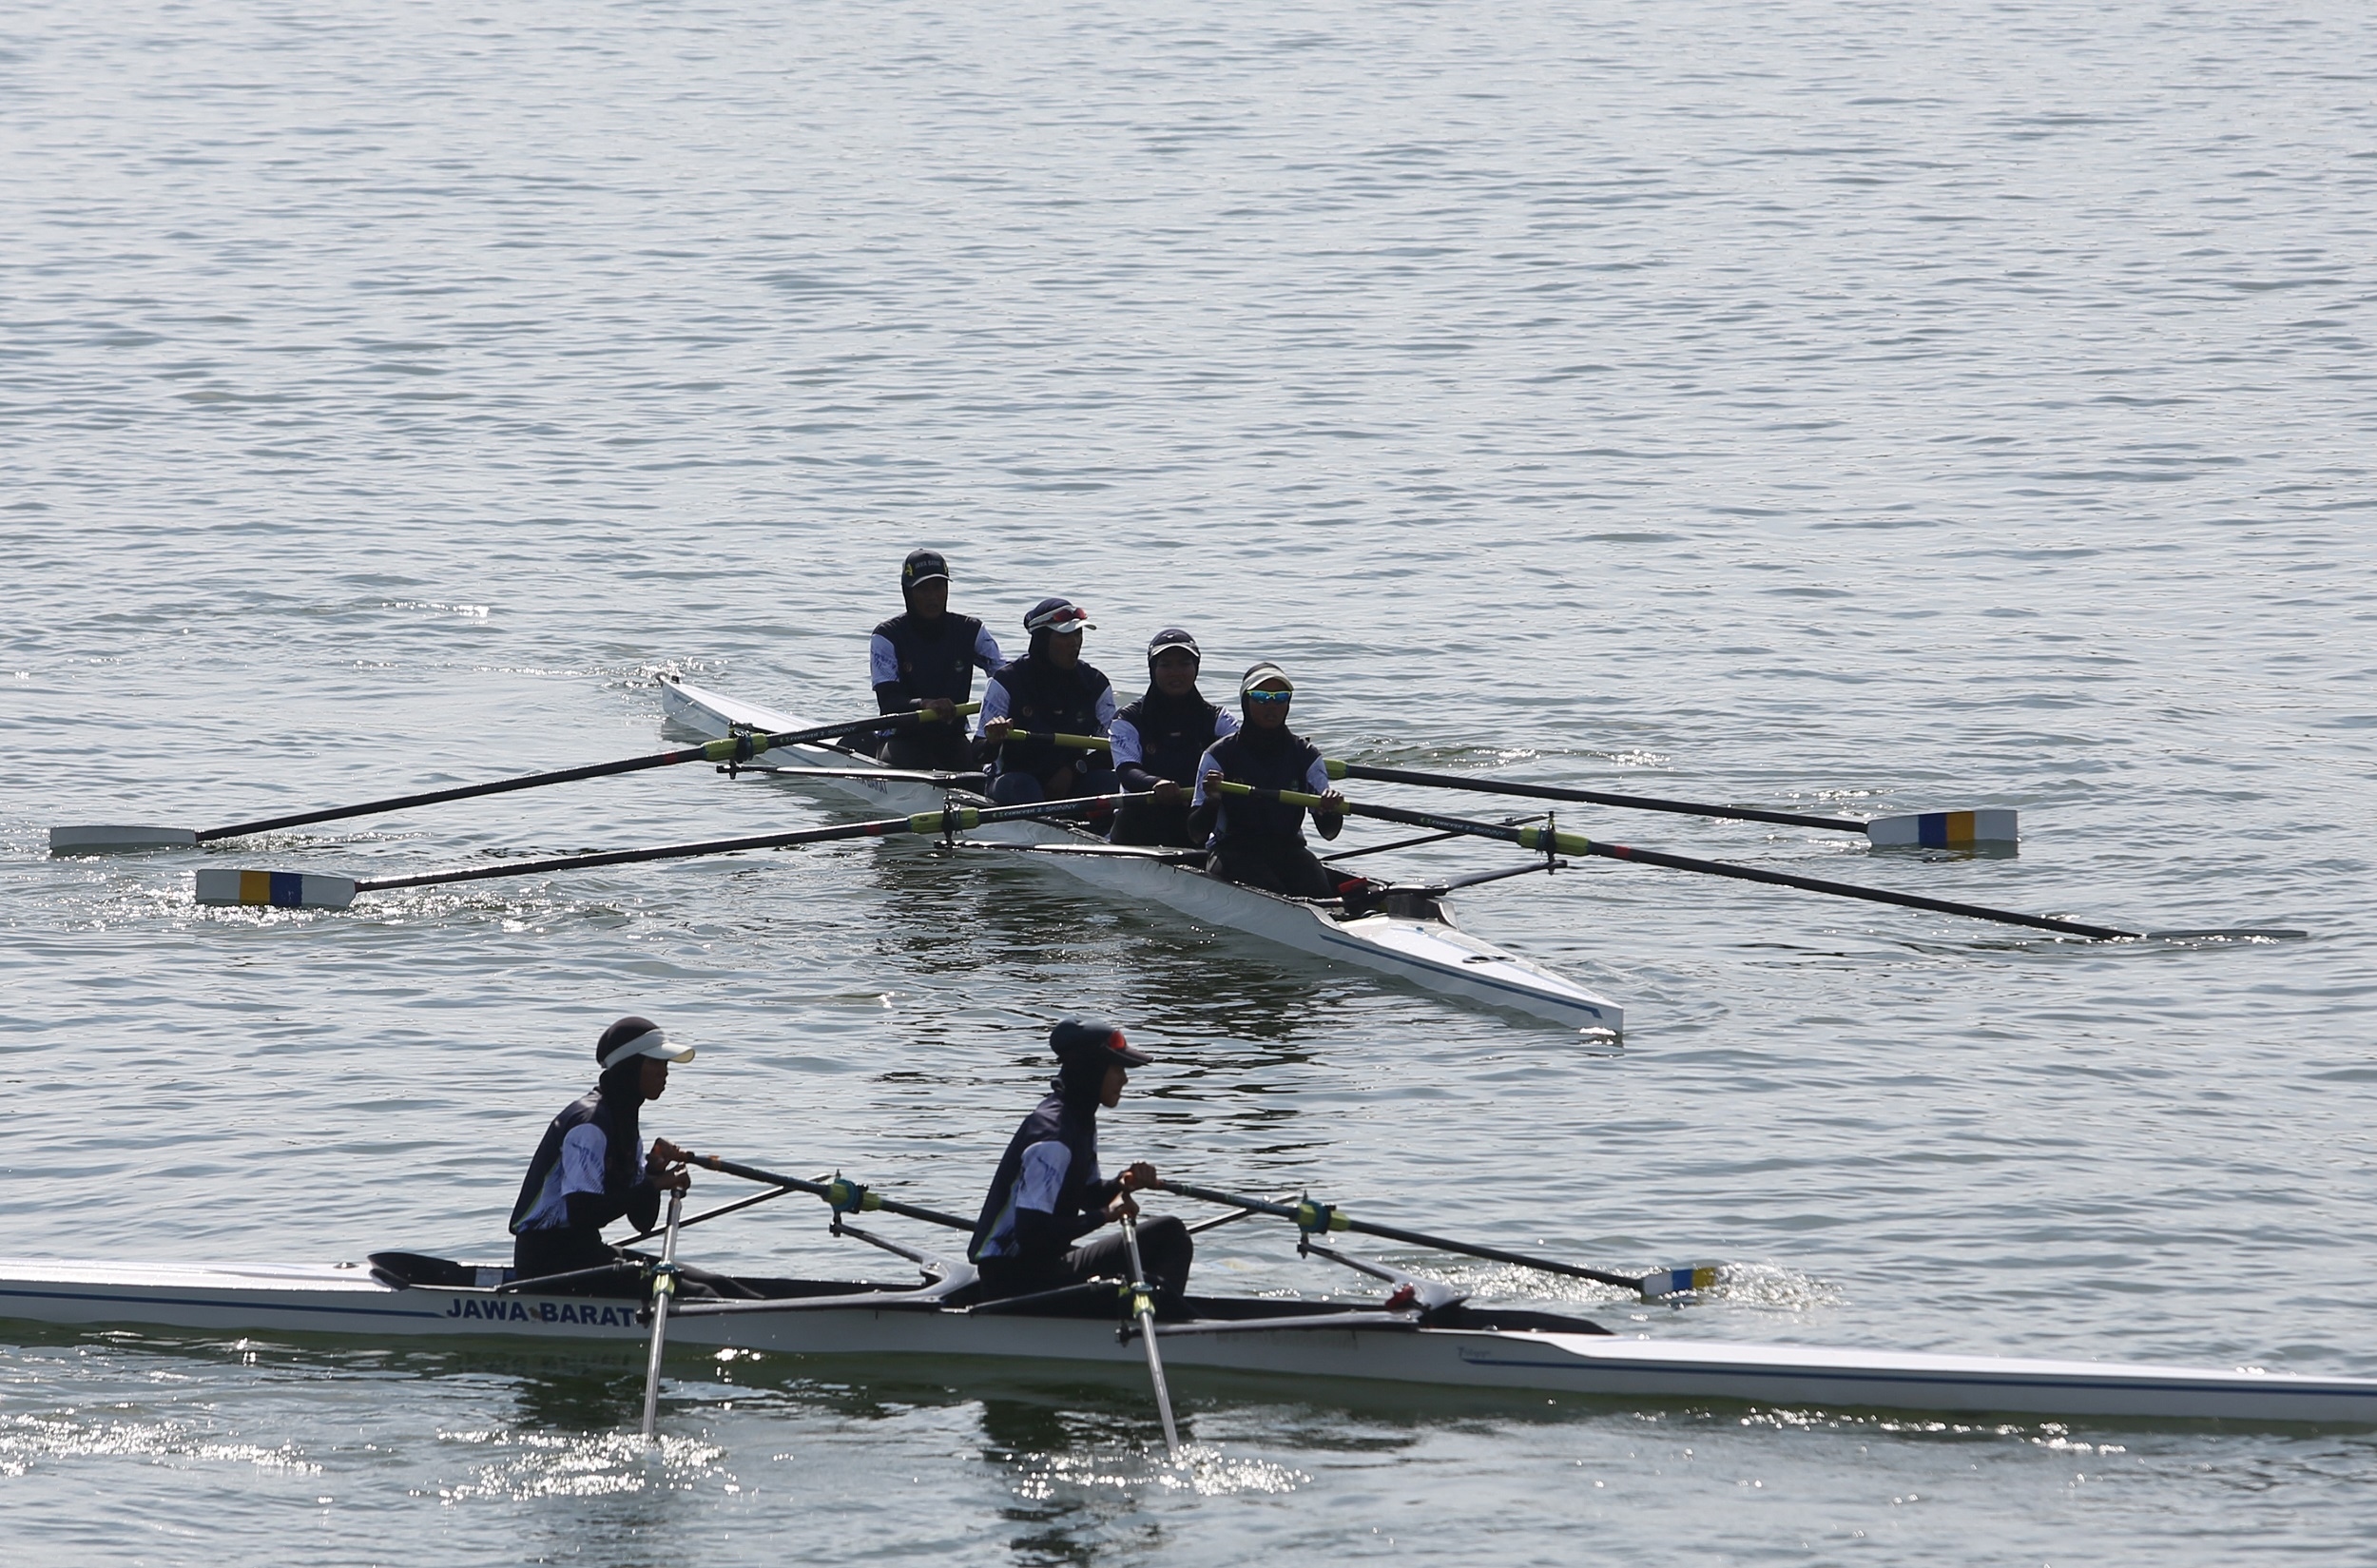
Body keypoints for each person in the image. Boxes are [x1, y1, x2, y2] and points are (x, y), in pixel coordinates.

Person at [508, 1016, 753, 1298]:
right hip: (547, 1266)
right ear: (630, 1067)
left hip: (585, 1252)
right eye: (657, 1063)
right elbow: (584, 1214)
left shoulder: (624, 1123)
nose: (665, 1073)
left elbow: (643, 1221)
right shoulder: (589, 1126)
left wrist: (652, 1170)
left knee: (719, 1285)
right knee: (701, 1295)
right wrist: (653, 1185)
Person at [969, 1018, 1192, 1310]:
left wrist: (1123, 1184)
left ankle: (1157, 1314)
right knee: (1170, 1235)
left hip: (1041, 1267)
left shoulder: (1079, 1120)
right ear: (1092, 1070)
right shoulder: (1053, 1137)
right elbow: (1032, 1235)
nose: (1124, 1079)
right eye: (1118, 1068)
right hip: (1012, 1282)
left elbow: (1086, 1196)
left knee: (1160, 1242)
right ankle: (1166, 1329)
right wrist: (1104, 1215)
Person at [1187, 663, 1353, 900]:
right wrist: (1211, 802)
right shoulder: (1218, 755)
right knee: (1271, 891)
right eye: (1262, 697)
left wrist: (1330, 810)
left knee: (1320, 894)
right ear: (1246, 701)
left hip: (1289, 851)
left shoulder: (1306, 756)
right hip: (1232, 851)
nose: (1272, 705)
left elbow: (1329, 833)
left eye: (1280, 697)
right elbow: (1196, 834)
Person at [976, 597, 1120, 805]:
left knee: (1112, 782)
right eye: (1065, 634)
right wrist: (992, 740)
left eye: (1078, 633)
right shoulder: (1008, 681)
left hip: (1072, 778)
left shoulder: (1095, 684)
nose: (1075, 642)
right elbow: (978, 753)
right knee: (1021, 786)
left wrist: (1075, 769)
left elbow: (1113, 749)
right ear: (1042, 639)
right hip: (1016, 779)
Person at [870, 550, 1003, 772]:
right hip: (902, 740)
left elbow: (1004, 673)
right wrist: (925, 704)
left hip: (952, 739)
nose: (932, 596)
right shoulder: (887, 636)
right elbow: (889, 702)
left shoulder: (970, 631)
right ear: (908, 592)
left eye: (938, 586)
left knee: (977, 776)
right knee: (918, 765)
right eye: (923, 588)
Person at [1108, 628, 1237, 850]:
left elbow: (1244, 755)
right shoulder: (1128, 719)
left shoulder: (1218, 719)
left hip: (1197, 818)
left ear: (1196, 669)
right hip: (1141, 817)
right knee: (1133, 818)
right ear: (1152, 669)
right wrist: (1156, 783)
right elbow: (1127, 771)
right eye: (1165, 664)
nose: (1175, 672)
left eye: (1184, 664)